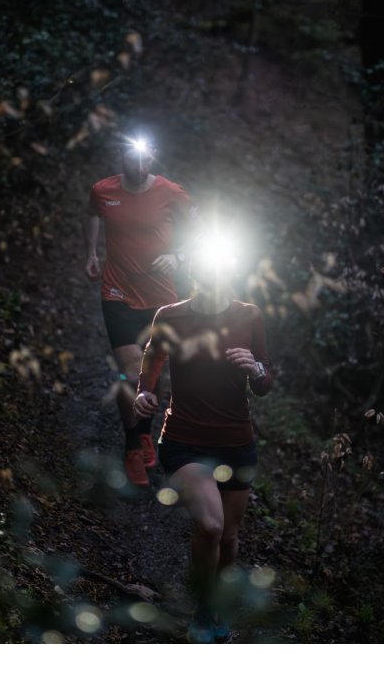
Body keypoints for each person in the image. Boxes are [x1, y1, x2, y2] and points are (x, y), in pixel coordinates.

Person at [134, 232, 274, 643]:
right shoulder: (170, 316)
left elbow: (266, 381)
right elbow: (152, 358)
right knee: (211, 526)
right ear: (195, 273)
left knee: (228, 538)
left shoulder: (249, 316)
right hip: (184, 440)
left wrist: (256, 370)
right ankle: (202, 608)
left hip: (236, 442)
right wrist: (144, 392)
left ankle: (217, 605)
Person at [84, 135, 199, 486]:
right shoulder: (103, 190)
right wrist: (91, 253)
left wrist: (179, 255)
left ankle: (145, 431)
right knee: (132, 373)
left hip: (161, 299)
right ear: (121, 156)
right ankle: (133, 444)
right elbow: (92, 214)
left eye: (146, 158)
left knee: (153, 372)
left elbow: (201, 226)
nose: (140, 165)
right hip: (117, 293)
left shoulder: (170, 192)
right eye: (133, 158)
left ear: (153, 159)